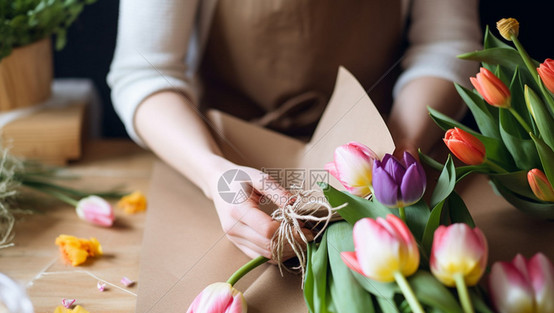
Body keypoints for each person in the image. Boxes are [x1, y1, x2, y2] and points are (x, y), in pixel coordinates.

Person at [108, 0, 481, 260]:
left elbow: (446, 44)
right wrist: (214, 173)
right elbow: (143, 72)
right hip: (218, 157)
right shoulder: (215, 169)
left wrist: (402, 144)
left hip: (382, 153)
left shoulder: (396, 148)